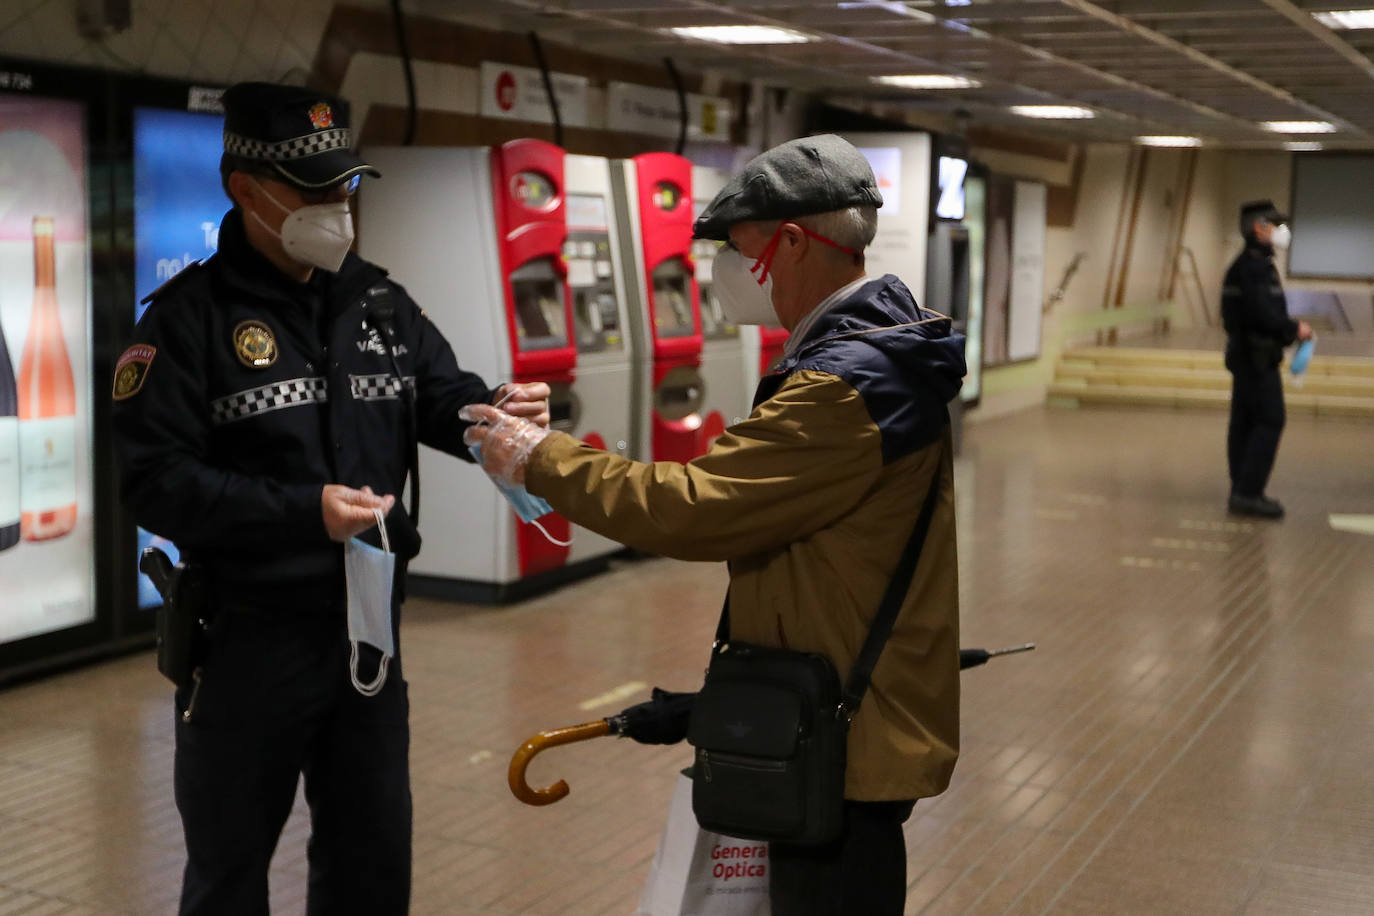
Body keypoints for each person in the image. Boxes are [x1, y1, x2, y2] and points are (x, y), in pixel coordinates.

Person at [463, 134, 965, 916]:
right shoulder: (882, 350)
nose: (724, 272)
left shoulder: (844, 387)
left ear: (793, 243)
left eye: (737, 250)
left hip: (842, 737)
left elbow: (692, 507)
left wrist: (542, 458)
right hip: (839, 707)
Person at [111, 82, 549, 915]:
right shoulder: (185, 324)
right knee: (229, 871)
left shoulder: (377, 301)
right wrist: (300, 512)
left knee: (372, 859)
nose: (338, 207)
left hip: (368, 635)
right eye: (314, 190)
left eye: (345, 186)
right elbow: (155, 482)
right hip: (244, 640)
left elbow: (441, 397)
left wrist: (494, 415)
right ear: (245, 189)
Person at [1221, 200, 1312, 520]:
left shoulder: (1246, 265)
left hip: (1247, 355)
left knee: (1244, 422)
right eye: (1274, 224)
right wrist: (1294, 329)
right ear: (1258, 228)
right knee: (1271, 419)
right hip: (1256, 358)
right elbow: (1263, 315)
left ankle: (1240, 488)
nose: (1279, 231)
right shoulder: (1254, 268)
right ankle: (1249, 493)